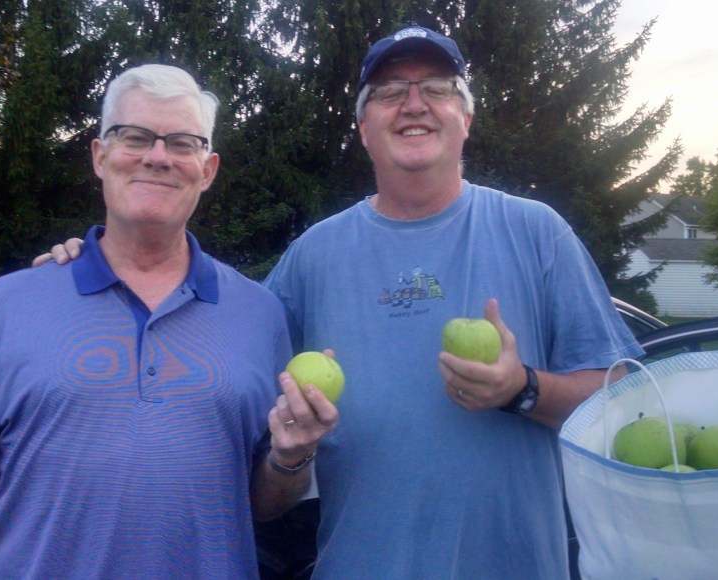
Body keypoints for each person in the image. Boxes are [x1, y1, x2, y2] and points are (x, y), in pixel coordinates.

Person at [36, 26, 643, 578]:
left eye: (436, 88)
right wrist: (106, 263)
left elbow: (624, 400)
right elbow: (209, 337)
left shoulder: (536, 233)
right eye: (389, 92)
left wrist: (523, 389)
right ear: (363, 128)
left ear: (465, 117)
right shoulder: (314, 256)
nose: (413, 103)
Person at [0, 64, 336, 579]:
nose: (157, 156)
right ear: (100, 156)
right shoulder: (4, 307)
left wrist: (292, 456)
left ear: (207, 169)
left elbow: (263, 503)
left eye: (182, 143)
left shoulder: (259, 315)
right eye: (135, 137)